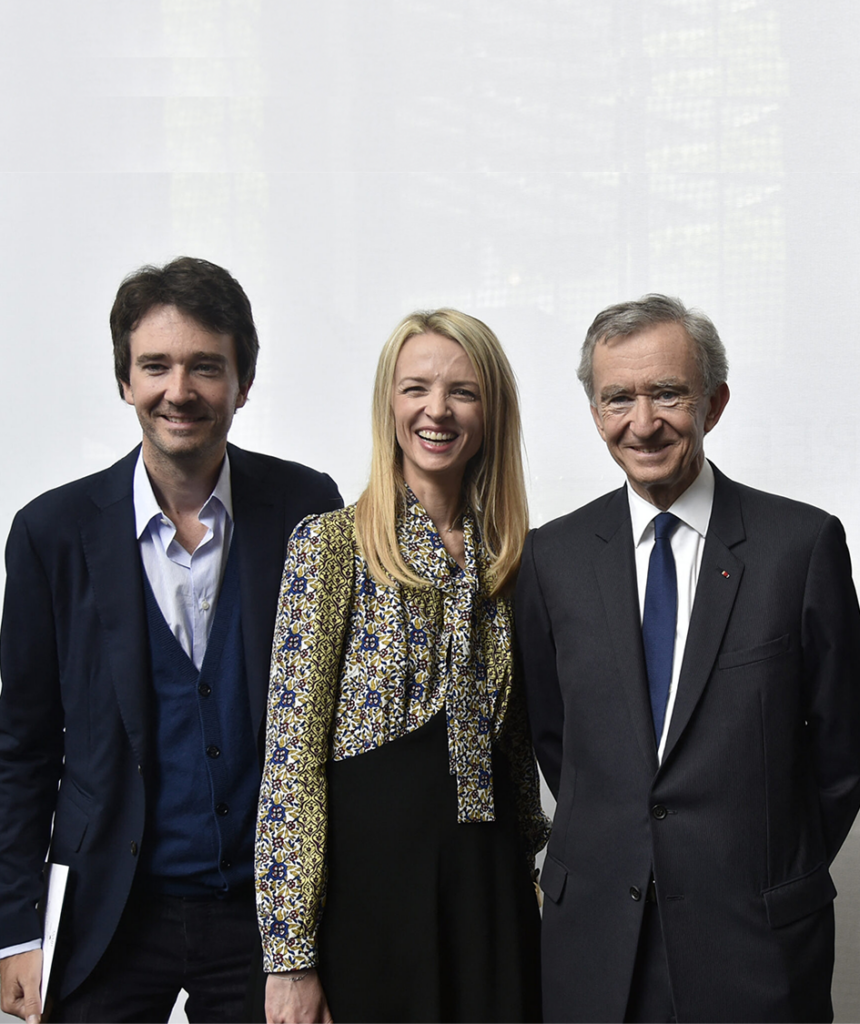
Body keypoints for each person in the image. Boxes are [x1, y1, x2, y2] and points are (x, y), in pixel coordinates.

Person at [0, 257, 342, 1024]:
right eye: (156, 365)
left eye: (205, 367)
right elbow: (21, 747)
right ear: (125, 379)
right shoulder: (50, 533)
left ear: (243, 383)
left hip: (265, 919)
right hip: (107, 912)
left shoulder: (307, 508)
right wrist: (16, 928)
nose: (178, 390)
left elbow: (334, 729)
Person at [516, 294, 860, 1023]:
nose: (642, 423)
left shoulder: (801, 547)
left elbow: (842, 753)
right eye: (618, 398)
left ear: (715, 403)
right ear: (595, 412)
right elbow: (558, 742)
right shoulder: (552, 558)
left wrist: (763, 864)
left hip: (756, 943)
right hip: (597, 942)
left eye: (668, 393)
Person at [254, 309, 550, 1024]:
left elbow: (517, 754)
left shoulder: (516, 559)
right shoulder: (330, 545)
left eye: (463, 392)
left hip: (491, 892)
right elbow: (291, 761)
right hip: (371, 897)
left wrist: (538, 880)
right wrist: (289, 957)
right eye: (416, 388)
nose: (436, 410)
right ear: (389, 402)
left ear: (492, 412)